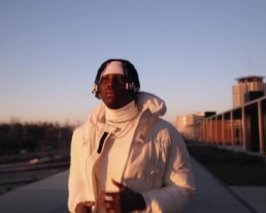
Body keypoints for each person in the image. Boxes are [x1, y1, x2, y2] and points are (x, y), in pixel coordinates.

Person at [68, 59, 195, 213]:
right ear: (97, 88)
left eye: (120, 79)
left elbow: (184, 188)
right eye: (105, 79)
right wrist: (77, 207)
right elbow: (76, 185)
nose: (110, 84)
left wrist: (142, 202)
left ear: (133, 87)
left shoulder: (164, 133)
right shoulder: (81, 135)